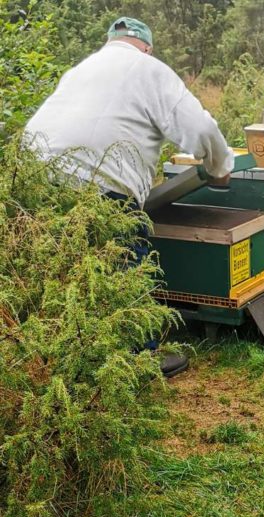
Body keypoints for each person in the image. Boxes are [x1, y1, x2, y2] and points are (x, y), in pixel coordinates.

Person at [24, 16, 235, 377]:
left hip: (37, 183)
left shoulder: (78, 71)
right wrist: (221, 165)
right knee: (128, 265)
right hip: (103, 186)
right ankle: (138, 359)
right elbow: (199, 127)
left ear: (108, 42)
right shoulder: (148, 69)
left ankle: (55, 351)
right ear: (148, 47)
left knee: (62, 268)